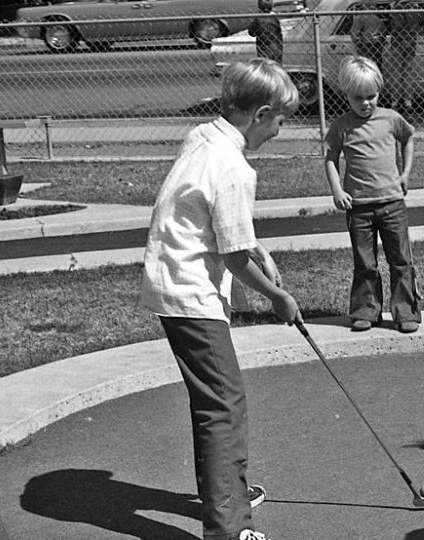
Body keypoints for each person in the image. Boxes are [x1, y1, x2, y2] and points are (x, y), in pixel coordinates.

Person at [140, 58, 302, 540]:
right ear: (262, 114)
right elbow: (233, 259)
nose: (280, 130)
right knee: (223, 407)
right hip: (191, 294)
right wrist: (278, 297)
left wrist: (259, 248)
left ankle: (227, 488)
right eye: (281, 120)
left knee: (216, 404)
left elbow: (227, 230)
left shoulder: (204, 136)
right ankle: (229, 528)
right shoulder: (234, 168)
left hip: (171, 281)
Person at [324, 55, 421, 333]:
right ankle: (366, 310)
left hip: (392, 204)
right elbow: (331, 158)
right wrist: (337, 190)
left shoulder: (391, 119)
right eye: (358, 97)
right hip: (359, 208)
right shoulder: (342, 125)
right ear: (347, 95)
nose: (365, 103)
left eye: (371, 96)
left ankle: (406, 312)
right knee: (365, 262)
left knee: (401, 260)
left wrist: (405, 174)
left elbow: (409, 138)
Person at [351, 0, 388, 69]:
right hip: (377, 47)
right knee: (376, 68)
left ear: (364, 6)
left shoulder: (359, 18)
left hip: (364, 46)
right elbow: (384, 35)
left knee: (364, 68)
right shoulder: (379, 20)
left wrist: (359, 44)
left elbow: (354, 34)